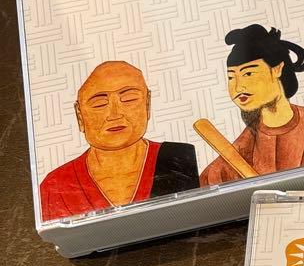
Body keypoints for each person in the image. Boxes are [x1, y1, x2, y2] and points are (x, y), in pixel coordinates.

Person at [39, 60, 198, 221]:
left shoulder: (179, 159)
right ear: (79, 116)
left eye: (129, 98)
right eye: (99, 104)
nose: (115, 114)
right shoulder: (56, 186)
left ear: (147, 104)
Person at [199, 25, 304, 185]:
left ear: (277, 69)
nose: (238, 87)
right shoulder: (237, 154)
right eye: (231, 77)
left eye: (248, 73)